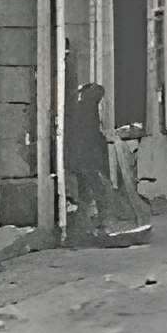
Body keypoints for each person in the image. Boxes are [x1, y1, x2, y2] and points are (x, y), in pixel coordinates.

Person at [66, 80, 112, 238]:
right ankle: (98, 223)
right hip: (85, 157)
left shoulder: (84, 109)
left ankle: (85, 225)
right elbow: (88, 136)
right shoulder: (85, 110)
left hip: (82, 157)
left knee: (86, 191)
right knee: (97, 189)